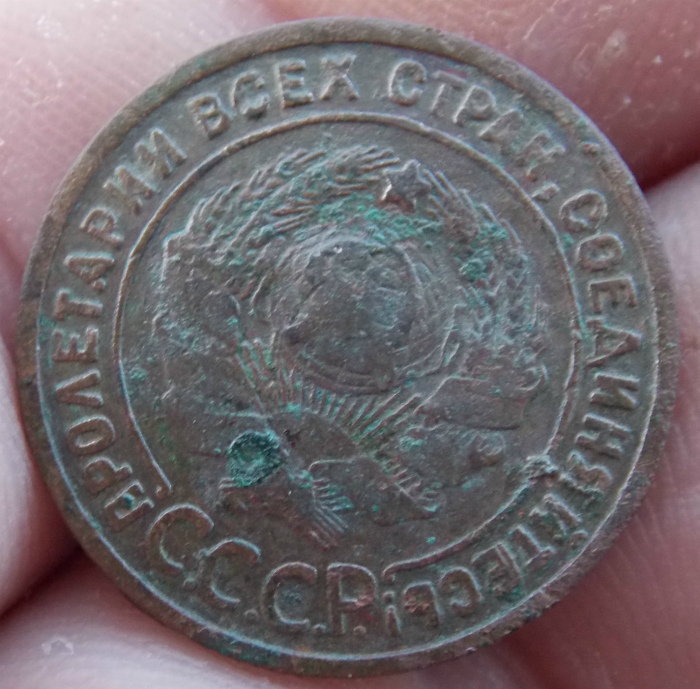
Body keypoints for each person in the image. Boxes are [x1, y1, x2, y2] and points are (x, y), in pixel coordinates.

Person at [0, 1, 698, 687]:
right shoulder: (228, 341)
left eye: (374, 278)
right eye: (332, 280)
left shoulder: (454, 391)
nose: (355, 279)